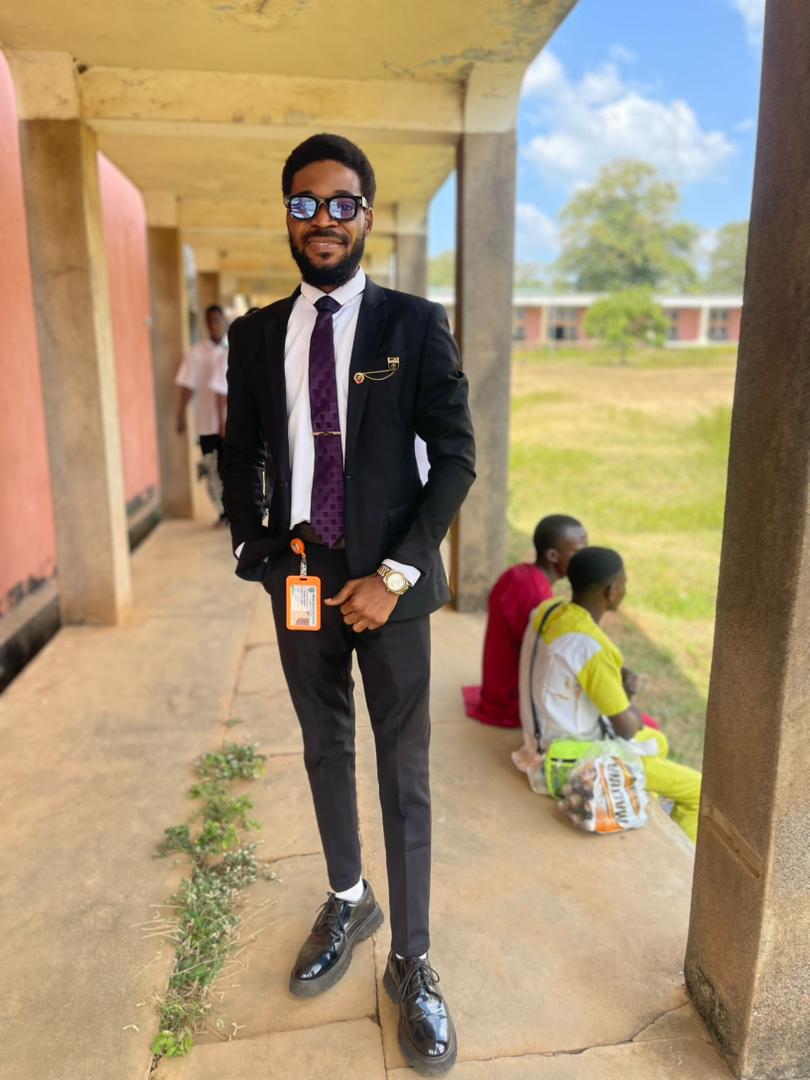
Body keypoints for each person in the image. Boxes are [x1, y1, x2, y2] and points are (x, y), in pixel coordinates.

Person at [222, 133, 474, 1075]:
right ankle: (348, 897)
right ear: (287, 215)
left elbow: (456, 458)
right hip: (301, 577)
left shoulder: (414, 324)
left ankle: (411, 958)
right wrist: (252, 545)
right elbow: (240, 450)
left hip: (390, 582)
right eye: (304, 203)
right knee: (323, 744)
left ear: (365, 216)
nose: (321, 220)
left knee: (402, 767)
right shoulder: (255, 335)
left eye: (339, 204)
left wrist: (396, 573)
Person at [517, 546, 702, 841]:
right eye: (624, 584)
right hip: (571, 763)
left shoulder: (548, 610)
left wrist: (611, 676)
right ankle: (681, 858)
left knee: (658, 741)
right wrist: (627, 699)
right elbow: (626, 728)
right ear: (612, 591)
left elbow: (569, 667)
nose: (625, 590)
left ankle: (635, 803)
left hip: (538, 742)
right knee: (697, 790)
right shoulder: (592, 648)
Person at [463, 514, 587, 728]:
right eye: (578, 551)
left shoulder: (517, 573)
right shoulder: (538, 597)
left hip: (496, 689)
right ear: (553, 555)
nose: (585, 558)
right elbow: (549, 661)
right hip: (511, 701)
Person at [175, 304, 229, 525]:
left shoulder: (234, 347)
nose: (213, 324)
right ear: (206, 324)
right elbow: (187, 386)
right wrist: (180, 414)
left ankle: (233, 510)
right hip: (206, 423)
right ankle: (223, 512)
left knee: (230, 467)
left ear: (223, 321)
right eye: (210, 321)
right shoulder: (196, 353)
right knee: (212, 468)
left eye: (217, 320)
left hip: (230, 423)